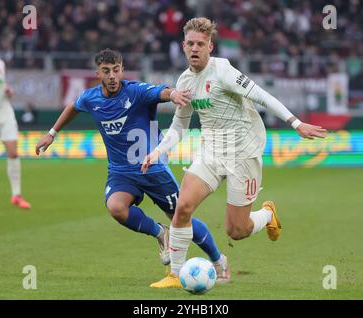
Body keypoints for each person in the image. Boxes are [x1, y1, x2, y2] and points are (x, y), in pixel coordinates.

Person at [142, 17, 327, 288]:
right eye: (190, 44)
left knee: (236, 231)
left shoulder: (224, 72)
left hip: (243, 153)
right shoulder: (184, 81)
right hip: (212, 150)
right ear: (183, 46)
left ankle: (267, 214)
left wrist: (295, 123)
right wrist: (158, 151)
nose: (195, 49)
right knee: (182, 207)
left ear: (210, 47)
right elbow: (179, 125)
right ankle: (176, 275)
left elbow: (263, 96)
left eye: (200, 44)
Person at [35, 49, 230, 283]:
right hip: (121, 172)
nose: (112, 76)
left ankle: (219, 261)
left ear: (122, 70)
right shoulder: (90, 98)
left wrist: (175, 94)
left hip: (153, 169)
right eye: (106, 71)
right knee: (116, 208)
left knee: (181, 216)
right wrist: (51, 133)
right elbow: (73, 107)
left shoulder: (135, 91)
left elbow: (162, 92)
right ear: (97, 73)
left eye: (116, 70)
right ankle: (160, 233)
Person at [0, 34, 31, 209]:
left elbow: (1, 85)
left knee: (13, 152)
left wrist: (8, 90)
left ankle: (16, 195)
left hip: (4, 112)